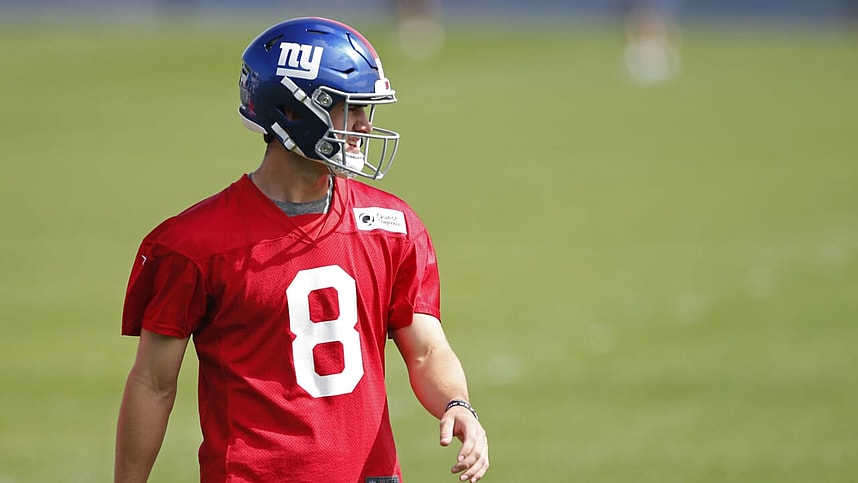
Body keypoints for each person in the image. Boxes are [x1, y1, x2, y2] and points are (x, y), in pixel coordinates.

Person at [114, 17, 489, 483]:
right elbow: (153, 384)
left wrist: (458, 405)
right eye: (349, 109)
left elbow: (426, 350)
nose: (364, 126)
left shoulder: (392, 226)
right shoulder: (195, 244)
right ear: (292, 111)